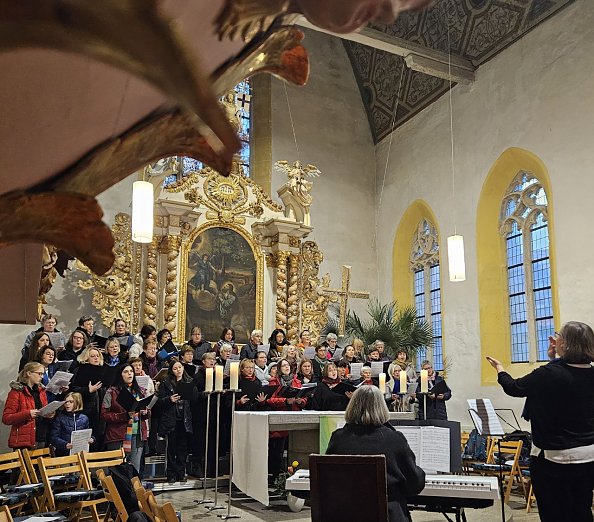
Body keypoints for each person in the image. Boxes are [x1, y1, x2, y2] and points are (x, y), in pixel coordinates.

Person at [486, 321, 594, 522]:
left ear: (566, 344)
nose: (555, 338)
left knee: (554, 512)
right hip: (588, 456)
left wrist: (500, 368)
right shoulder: (589, 372)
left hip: (554, 457)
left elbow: (514, 387)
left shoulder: (549, 374)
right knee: (581, 509)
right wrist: (554, 358)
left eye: (558, 335)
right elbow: (566, 375)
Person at [326, 386, 425, 522]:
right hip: (387, 515)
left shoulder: (338, 438)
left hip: (345, 515)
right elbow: (414, 484)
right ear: (382, 407)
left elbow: (329, 480)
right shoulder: (394, 439)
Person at [101, 364, 150, 474]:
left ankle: (133, 490)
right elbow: (104, 414)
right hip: (118, 434)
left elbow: (147, 411)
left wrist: (146, 412)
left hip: (137, 434)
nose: (129, 374)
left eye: (131, 371)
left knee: (135, 468)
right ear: (120, 375)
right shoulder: (111, 392)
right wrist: (124, 416)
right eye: (126, 372)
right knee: (118, 470)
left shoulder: (141, 391)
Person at [158, 360, 193, 483]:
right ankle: (171, 473)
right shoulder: (166, 383)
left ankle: (181, 472)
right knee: (171, 448)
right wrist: (169, 399)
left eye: (180, 367)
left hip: (184, 419)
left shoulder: (189, 382)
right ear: (171, 371)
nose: (178, 370)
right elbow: (160, 402)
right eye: (175, 368)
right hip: (171, 419)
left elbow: (193, 400)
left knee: (182, 448)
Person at [2, 362, 52, 449]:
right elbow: (6, 418)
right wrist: (27, 414)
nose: (42, 377)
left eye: (43, 374)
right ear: (29, 373)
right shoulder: (16, 392)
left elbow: (43, 410)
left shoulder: (41, 391)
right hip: (24, 440)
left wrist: (49, 414)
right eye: (39, 373)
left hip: (41, 437)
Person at [71, 346, 106, 449]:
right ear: (86, 358)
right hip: (85, 409)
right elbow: (72, 389)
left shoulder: (104, 370)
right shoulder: (80, 370)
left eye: (97, 356)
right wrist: (88, 390)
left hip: (100, 408)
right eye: (92, 356)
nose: (96, 358)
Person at [50, 392, 93, 456]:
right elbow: (54, 437)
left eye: (71, 402)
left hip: (80, 454)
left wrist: (92, 439)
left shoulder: (84, 418)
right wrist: (65, 444)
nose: (67, 404)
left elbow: (87, 434)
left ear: (77, 402)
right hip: (64, 454)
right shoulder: (59, 418)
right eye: (66, 402)